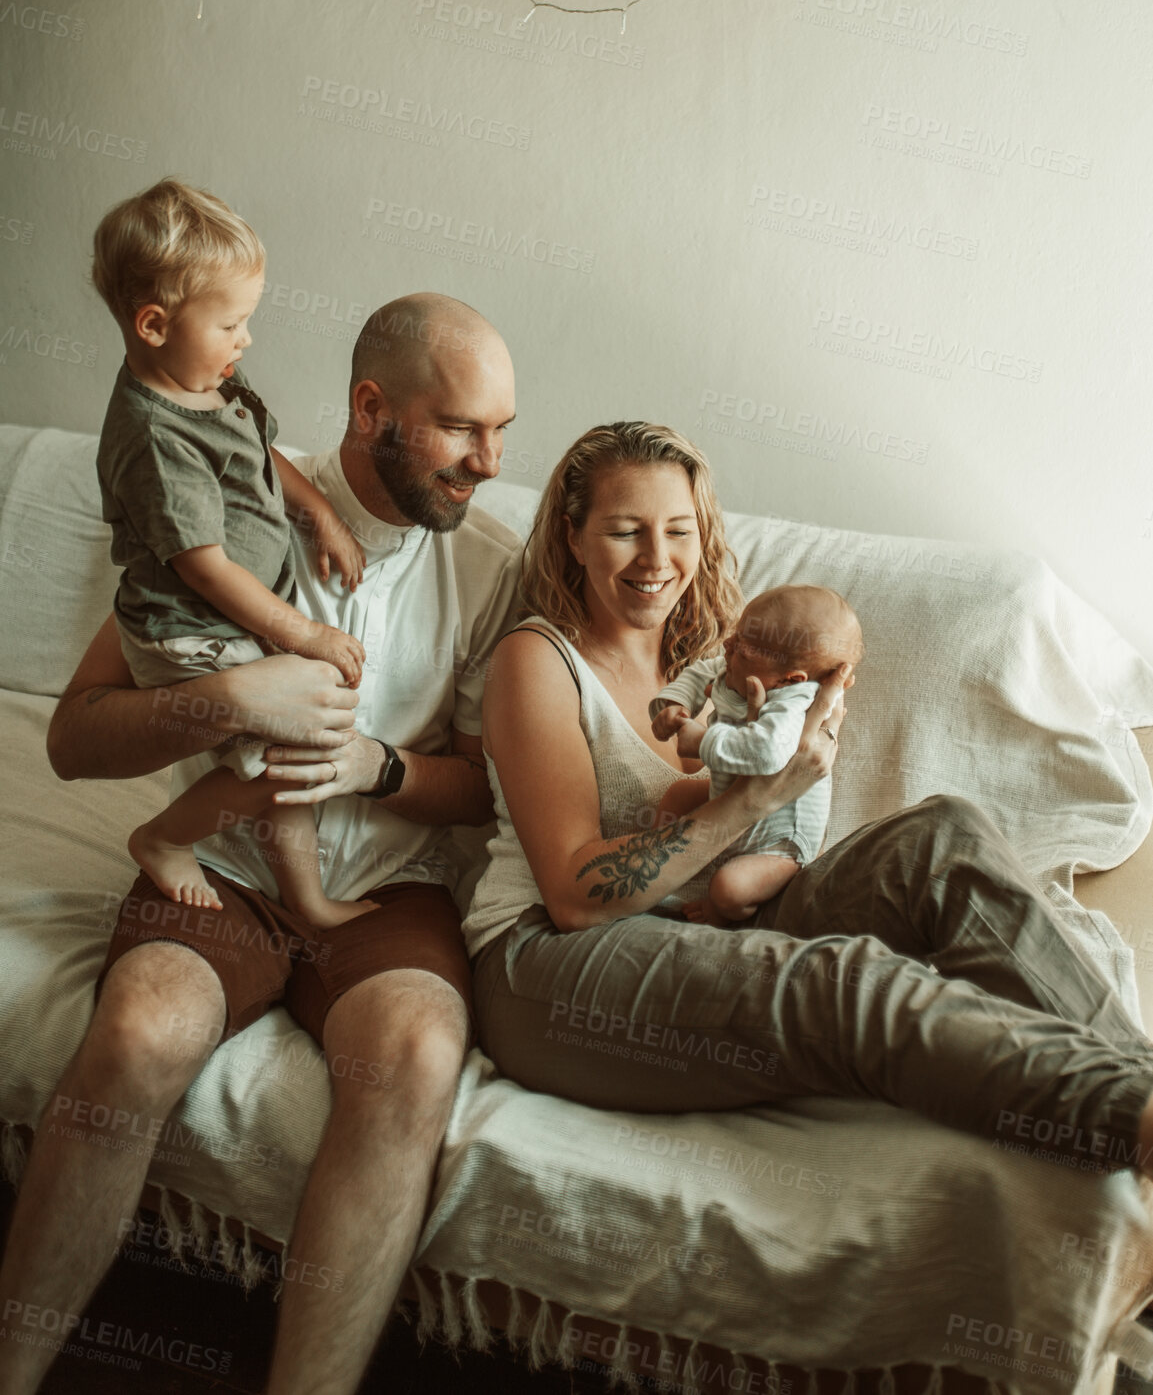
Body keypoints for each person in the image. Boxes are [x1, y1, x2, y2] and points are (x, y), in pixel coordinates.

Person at [0, 293, 520, 1395]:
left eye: (501, 430)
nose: (488, 459)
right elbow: (74, 738)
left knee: (416, 1055)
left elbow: (477, 790)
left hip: (390, 888)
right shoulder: (226, 508)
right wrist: (229, 699)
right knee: (139, 1025)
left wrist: (375, 766)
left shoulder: (490, 570)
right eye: (462, 427)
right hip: (222, 866)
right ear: (370, 406)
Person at [463, 420, 1153, 1167]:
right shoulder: (535, 660)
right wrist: (759, 795)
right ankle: (1130, 1118)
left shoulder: (712, 659)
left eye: (678, 531)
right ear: (573, 536)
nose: (657, 560)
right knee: (847, 980)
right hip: (547, 964)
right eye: (625, 531)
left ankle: (1141, 1083)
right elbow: (573, 894)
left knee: (941, 837)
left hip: (708, 915)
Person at [91, 178, 370, 926]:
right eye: (231, 323)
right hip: (186, 627)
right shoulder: (152, 436)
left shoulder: (206, 377)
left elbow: (257, 450)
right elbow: (203, 567)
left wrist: (319, 515)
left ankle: (306, 904)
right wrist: (304, 633)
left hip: (222, 620)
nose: (245, 339)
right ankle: (163, 837)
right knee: (290, 742)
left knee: (295, 746)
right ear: (154, 324)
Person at [649, 584, 863, 924]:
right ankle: (655, 872)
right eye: (736, 636)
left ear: (789, 679)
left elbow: (768, 752)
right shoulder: (736, 669)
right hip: (734, 796)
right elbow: (700, 673)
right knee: (678, 795)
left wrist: (702, 741)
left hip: (779, 840)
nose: (727, 645)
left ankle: (725, 916)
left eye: (743, 649)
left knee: (729, 888)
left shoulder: (795, 703)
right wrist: (674, 704)